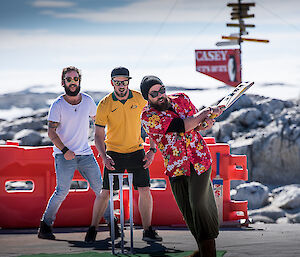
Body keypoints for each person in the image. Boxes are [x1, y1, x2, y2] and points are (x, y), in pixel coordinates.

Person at [140, 75, 224, 257]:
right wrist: (205, 112)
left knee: (198, 204)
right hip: (176, 168)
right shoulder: (148, 117)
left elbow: (197, 125)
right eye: (154, 93)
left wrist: (207, 120)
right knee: (189, 213)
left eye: (162, 89)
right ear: (146, 97)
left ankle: (209, 253)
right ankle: (203, 251)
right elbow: (182, 125)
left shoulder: (182, 99)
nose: (160, 95)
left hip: (199, 160)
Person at [37, 66, 118, 240]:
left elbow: (99, 123)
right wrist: (65, 150)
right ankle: (45, 226)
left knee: (102, 190)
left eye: (75, 79)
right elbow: (51, 132)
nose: (72, 82)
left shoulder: (88, 101)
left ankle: (113, 224)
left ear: (79, 81)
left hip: (86, 154)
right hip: (63, 155)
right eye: (69, 79)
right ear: (63, 82)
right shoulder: (57, 105)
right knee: (62, 191)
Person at [84, 67, 162, 243]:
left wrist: (152, 150)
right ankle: (92, 229)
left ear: (128, 81)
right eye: (117, 82)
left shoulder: (140, 98)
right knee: (105, 192)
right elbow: (98, 136)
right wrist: (104, 157)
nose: (121, 85)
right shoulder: (104, 104)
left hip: (137, 151)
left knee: (144, 189)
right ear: (112, 83)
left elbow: (154, 124)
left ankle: (148, 230)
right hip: (114, 153)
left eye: (124, 81)